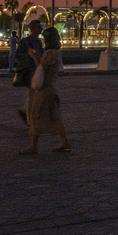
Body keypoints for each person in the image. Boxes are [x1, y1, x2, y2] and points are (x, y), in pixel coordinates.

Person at [21, 26, 69, 154]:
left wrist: (34, 57)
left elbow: (41, 69)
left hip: (45, 89)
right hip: (52, 88)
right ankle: (65, 142)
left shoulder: (49, 53)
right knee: (55, 117)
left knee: (35, 115)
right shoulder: (57, 52)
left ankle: (33, 146)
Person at [11, 19, 44, 125]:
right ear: (33, 29)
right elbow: (17, 55)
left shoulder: (39, 42)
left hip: (37, 71)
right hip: (29, 70)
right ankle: (30, 120)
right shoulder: (25, 41)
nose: (41, 29)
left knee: (35, 95)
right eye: (39, 27)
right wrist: (30, 56)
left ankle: (26, 112)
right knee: (31, 95)